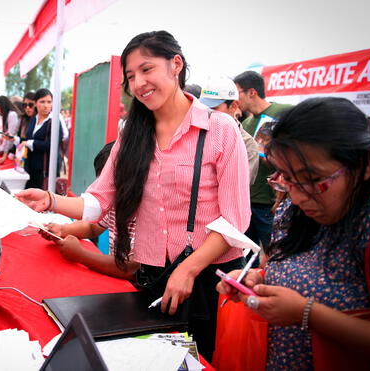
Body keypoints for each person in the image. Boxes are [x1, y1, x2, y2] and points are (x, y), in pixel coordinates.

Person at [17, 31, 250, 360]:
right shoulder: (132, 135)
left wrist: (190, 268)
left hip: (206, 280)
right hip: (152, 276)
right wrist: (50, 201)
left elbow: (235, 219)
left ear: (176, 65)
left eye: (146, 69)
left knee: (201, 359)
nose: (138, 83)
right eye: (130, 76)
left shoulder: (220, 129)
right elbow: (100, 201)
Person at [217, 97, 370, 369]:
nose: (298, 196)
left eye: (312, 180)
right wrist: (255, 279)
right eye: (286, 178)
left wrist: (307, 313)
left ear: (364, 166)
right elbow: (289, 269)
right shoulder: (293, 210)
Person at [40, 141, 139, 279]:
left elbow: (131, 268)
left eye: (108, 184)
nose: (102, 190)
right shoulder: (113, 202)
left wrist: (81, 255)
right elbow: (92, 227)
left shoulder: (146, 212)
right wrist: (62, 230)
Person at [233, 70, 292, 255]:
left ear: (252, 92)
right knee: (245, 254)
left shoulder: (283, 112)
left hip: (270, 200)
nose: (235, 99)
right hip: (247, 200)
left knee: (273, 253)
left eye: (237, 93)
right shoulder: (248, 122)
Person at [199, 76, 259, 185]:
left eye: (213, 108)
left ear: (233, 106)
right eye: (203, 107)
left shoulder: (247, 144)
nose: (207, 113)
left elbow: (240, 185)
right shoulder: (196, 133)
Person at [21, 88, 64, 189]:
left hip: (46, 171)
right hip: (30, 168)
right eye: (42, 102)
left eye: (49, 102)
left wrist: (30, 143)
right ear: (35, 103)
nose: (46, 105)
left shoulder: (54, 122)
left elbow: (51, 145)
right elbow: (28, 138)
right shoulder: (33, 119)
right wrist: (18, 140)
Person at [0, 95, 20, 164]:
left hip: (16, 151)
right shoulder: (7, 115)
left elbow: (10, 137)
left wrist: (4, 156)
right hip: (11, 151)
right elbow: (6, 137)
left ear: (2, 106)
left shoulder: (12, 115)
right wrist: (1, 150)